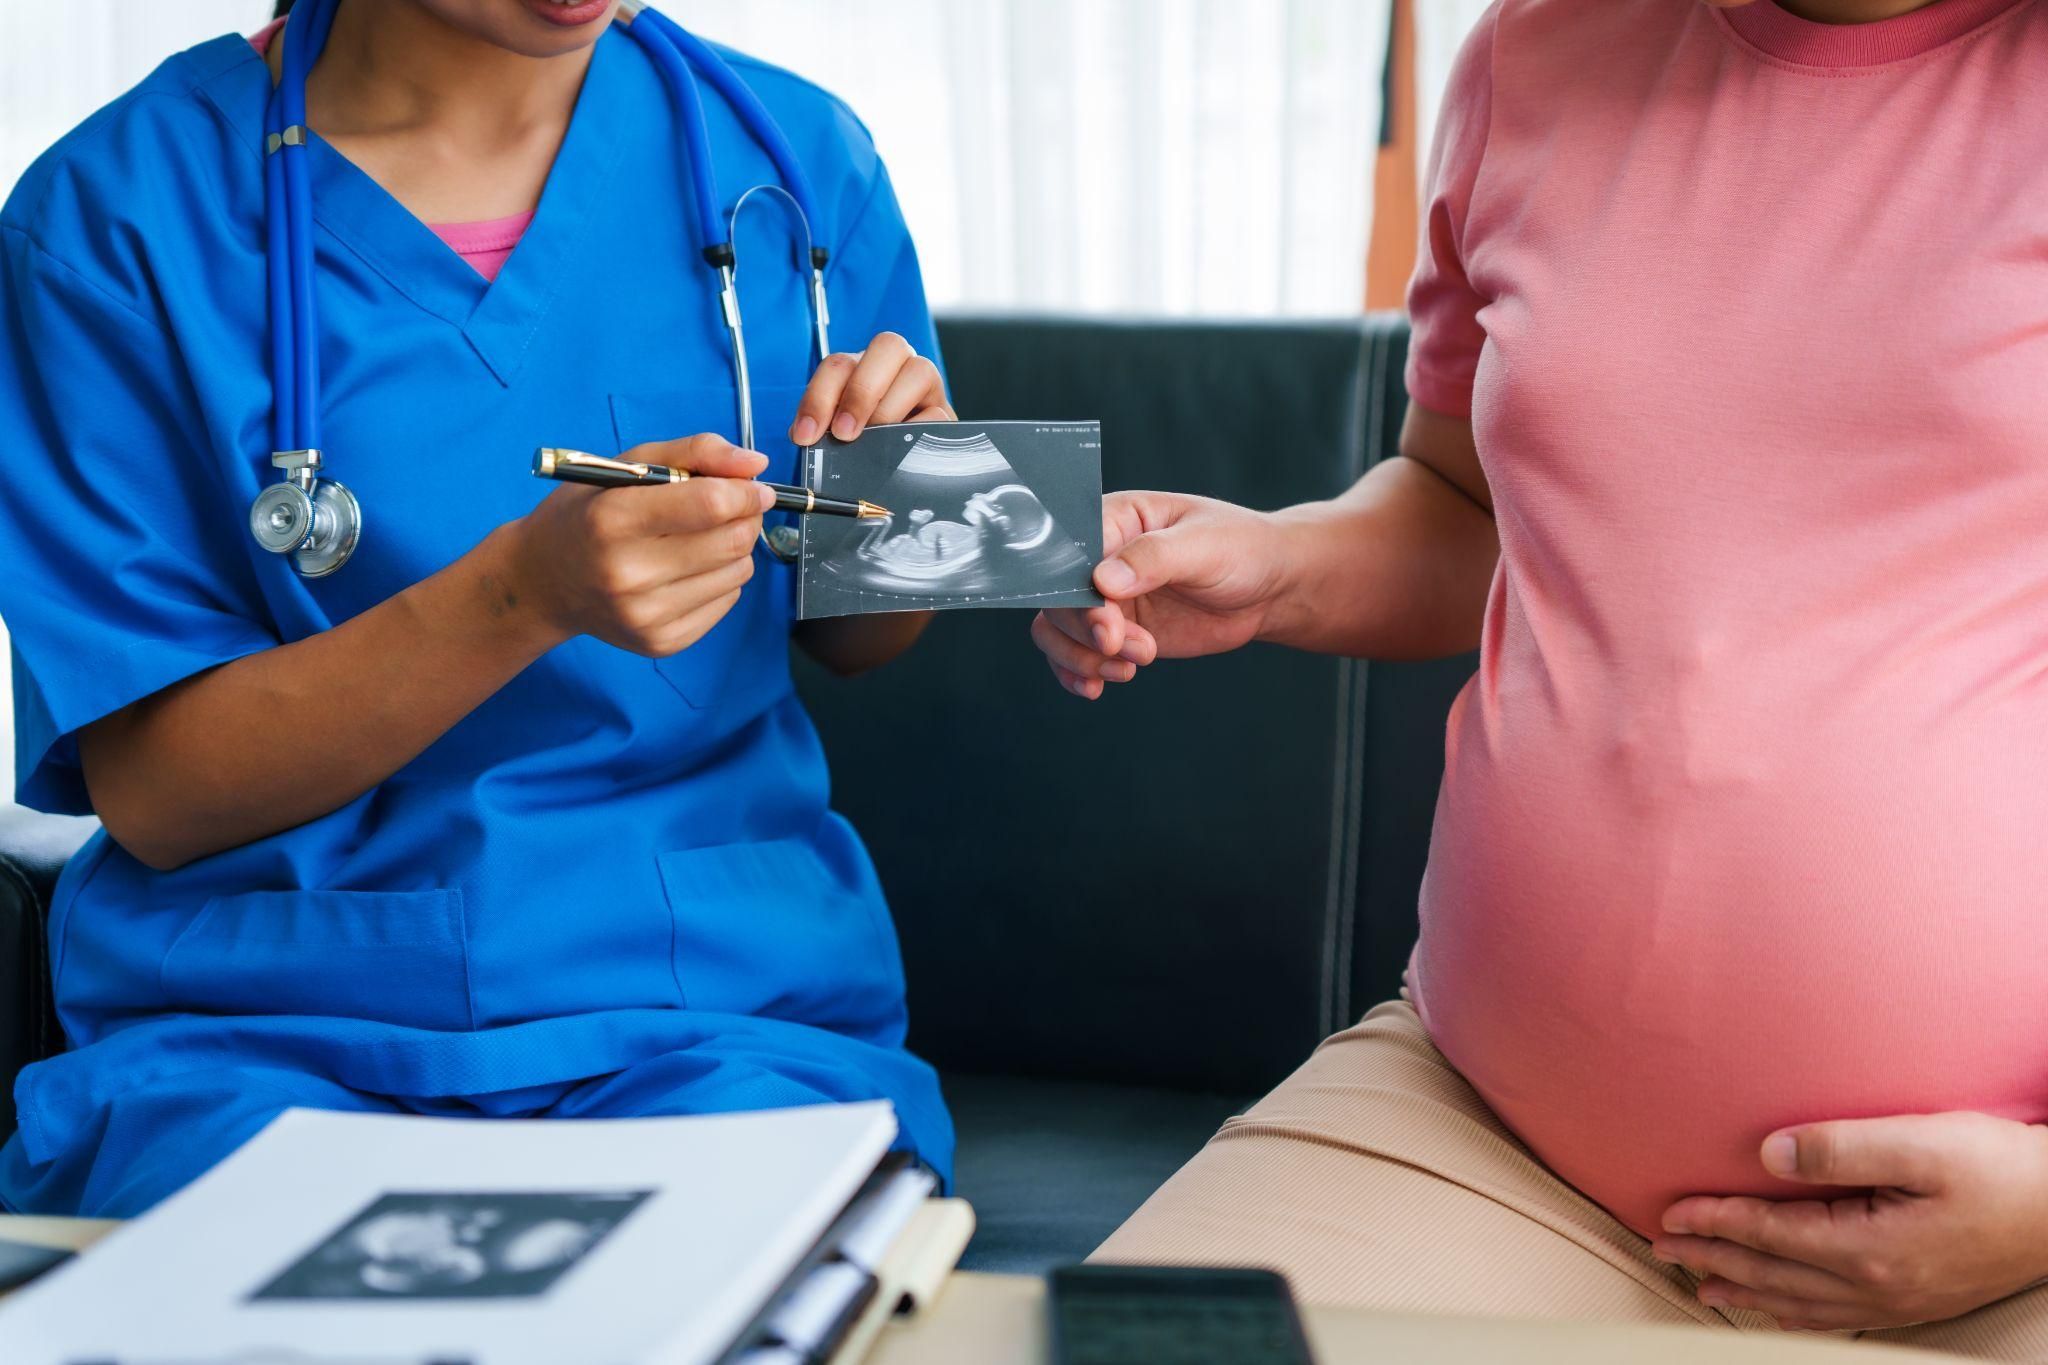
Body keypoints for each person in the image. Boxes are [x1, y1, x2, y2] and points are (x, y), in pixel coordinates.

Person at [1032, 0, 2048, 1355]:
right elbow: (1464, 505)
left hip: (1998, 1235)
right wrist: (1272, 566)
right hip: (1490, 1134)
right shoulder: (1538, 53)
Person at [0, 0, 956, 1217]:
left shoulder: (790, 159)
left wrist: (903, 496)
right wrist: (520, 595)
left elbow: (857, 640)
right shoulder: (116, 217)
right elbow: (161, 796)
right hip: (263, 1030)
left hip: (710, 1015)